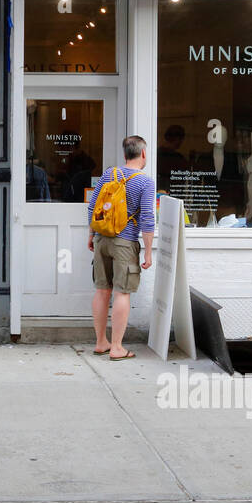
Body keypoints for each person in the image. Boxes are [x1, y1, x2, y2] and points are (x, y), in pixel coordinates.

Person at [87, 135, 156, 361]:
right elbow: (147, 218)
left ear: (125, 153)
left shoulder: (109, 174)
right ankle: (117, 347)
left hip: (102, 239)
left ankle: (100, 342)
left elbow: (93, 206)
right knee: (121, 292)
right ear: (143, 153)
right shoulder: (145, 182)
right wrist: (147, 251)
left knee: (101, 290)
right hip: (124, 243)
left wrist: (91, 235)